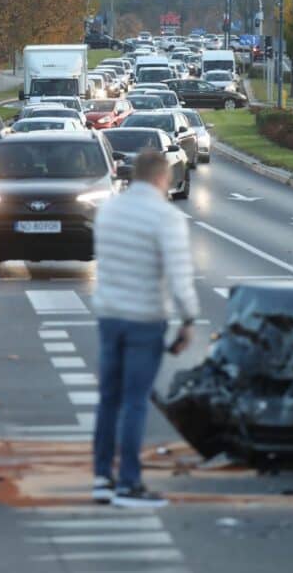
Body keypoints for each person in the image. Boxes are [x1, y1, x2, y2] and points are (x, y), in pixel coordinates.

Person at [90, 149, 199, 508]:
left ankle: (102, 477)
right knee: (135, 402)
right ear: (160, 178)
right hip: (145, 318)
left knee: (108, 399)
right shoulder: (166, 217)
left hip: (110, 316)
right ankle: (129, 483)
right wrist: (188, 320)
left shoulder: (109, 210)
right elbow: (178, 275)